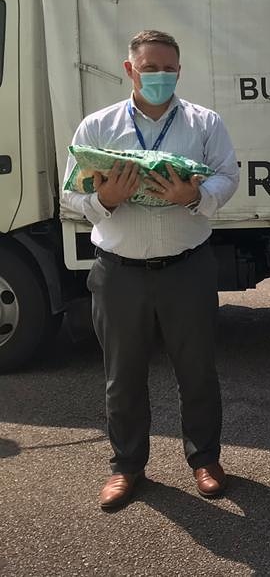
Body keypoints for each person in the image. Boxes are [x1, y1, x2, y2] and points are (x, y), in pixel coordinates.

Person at [61, 30, 239, 511]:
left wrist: (196, 197)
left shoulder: (205, 123)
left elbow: (228, 173)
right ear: (129, 70)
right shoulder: (98, 126)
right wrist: (104, 200)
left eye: (168, 69)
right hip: (119, 272)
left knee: (197, 370)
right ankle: (126, 467)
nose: (159, 76)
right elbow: (68, 192)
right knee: (123, 376)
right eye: (149, 68)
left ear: (179, 71)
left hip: (188, 268)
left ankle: (204, 459)